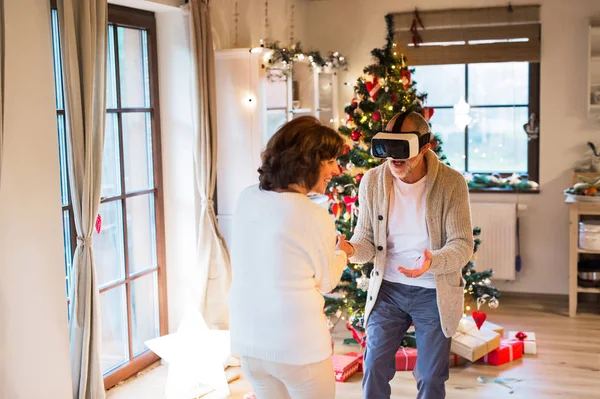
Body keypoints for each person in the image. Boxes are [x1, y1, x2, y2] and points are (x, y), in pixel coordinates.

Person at [344, 111, 474, 399]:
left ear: (425, 146)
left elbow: (463, 244)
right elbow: (365, 241)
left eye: (403, 149)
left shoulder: (451, 183)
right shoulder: (372, 181)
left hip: (432, 290)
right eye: (388, 149)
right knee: (374, 364)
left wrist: (434, 261)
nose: (395, 158)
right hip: (388, 289)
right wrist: (349, 250)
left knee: (430, 376)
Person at [229, 116, 353, 399]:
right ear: (307, 161)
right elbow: (328, 281)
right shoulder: (313, 215)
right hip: (297, 347)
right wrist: (341, 252)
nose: (336, 169)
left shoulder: (246, 198)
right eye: (330, 161)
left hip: (250, 345)